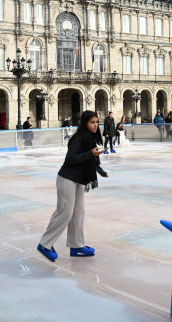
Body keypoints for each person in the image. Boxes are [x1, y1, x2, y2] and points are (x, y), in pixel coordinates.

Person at [37, 110, 108, 262]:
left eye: (96, 122)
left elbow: (91, 159)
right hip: (67, 179)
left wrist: (100, 170)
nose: (95, 125)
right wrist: (91, 154)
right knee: (65, 212)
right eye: (92, 122)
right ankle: (45, 244)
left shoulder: (91, 138)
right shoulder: (78, 138)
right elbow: (70, 159)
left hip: (80, 179)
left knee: (78, 212)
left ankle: (77, 246)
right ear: (84, 123)